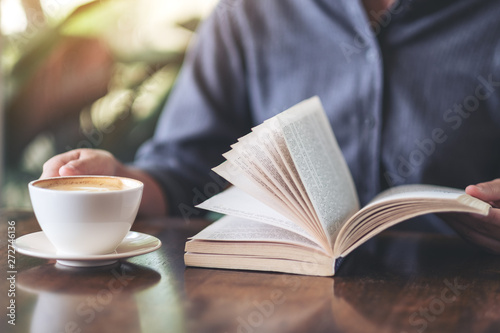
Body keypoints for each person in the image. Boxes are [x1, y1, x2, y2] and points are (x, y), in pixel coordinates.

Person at [41, 0, 500, 253]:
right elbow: (188, 168)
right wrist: (128, 184)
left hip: (466, 291)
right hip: (281, 297)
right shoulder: (246, 14)